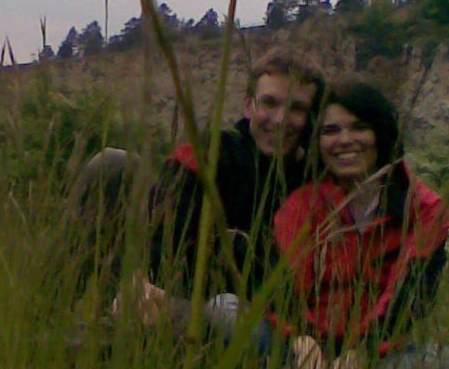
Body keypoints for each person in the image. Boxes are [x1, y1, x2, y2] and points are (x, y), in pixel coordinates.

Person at [265, 76, 449, 369]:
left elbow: (409, 298)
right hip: (301, 347)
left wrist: (360, 354)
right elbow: (281, 290)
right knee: (228, 316)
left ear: (380, 134)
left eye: (358, 127)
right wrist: (304, 344)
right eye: (330, 131)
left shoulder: (425, 210)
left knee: (439, 365)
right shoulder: (301, 205)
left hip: (379, 354)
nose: (345, 140)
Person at [132, 45, 325, 332]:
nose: (281, 119)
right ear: (249, 105)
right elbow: (165, 242)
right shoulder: (209, 153)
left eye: (296, 108)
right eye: (270, 103)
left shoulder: (317, 183)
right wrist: (142, 279)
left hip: (249, 314)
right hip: (179, 293)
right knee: (112, 164)